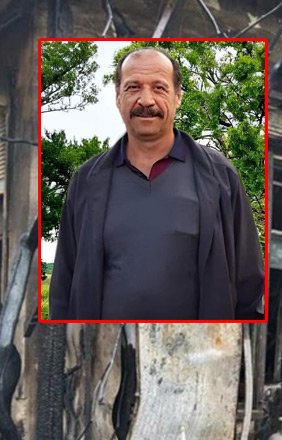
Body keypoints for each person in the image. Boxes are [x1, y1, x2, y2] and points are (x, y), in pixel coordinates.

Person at [48, 47, 264, 320]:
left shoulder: (221, 177)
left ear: (178, 97)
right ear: (117, 97)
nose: (146, 100)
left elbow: (250, 286)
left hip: (201, 350)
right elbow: (63, 287)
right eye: (133, 87)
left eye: (159, 88)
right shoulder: (86, 181)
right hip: (102, 351)